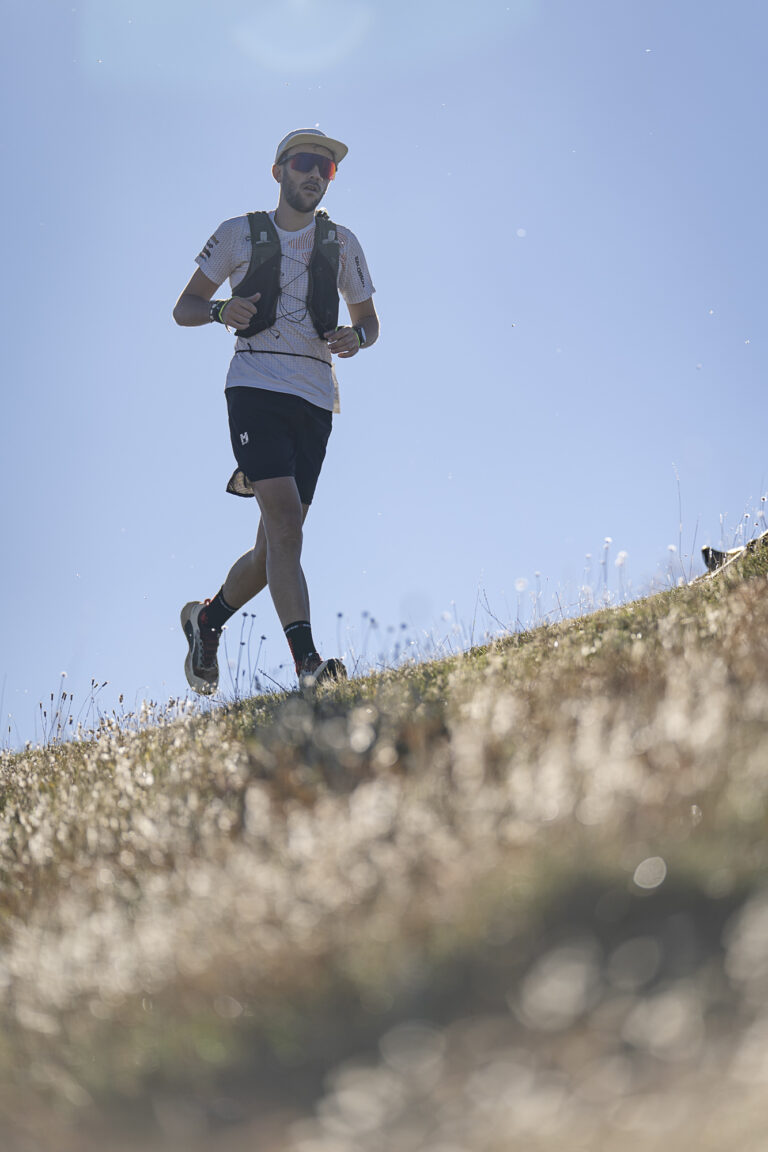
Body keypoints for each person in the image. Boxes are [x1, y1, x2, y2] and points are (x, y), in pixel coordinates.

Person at [173, 128, 378, 694]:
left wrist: (357, 338)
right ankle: (310, 668)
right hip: (255, 388)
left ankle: (206, 620)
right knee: (286, 526)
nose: (315, 174)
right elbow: (184, 307)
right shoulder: (237, 232)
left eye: (325, 169)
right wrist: (220, 310)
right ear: (278, 171)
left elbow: (370, 322)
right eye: (305, 162)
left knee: (275, 546)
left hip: (315, 400)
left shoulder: (342, 242)